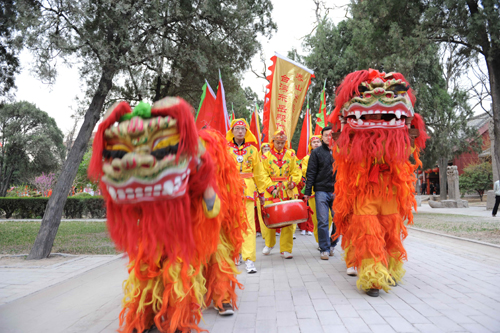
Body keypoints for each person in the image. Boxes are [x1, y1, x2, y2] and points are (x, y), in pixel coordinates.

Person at [329, 69, 428, 297]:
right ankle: (373, 277)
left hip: (390, 188)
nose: (379, 93)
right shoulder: (351, 136)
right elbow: (343, 149)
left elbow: (410, 149)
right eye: (365, 91)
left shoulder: (399, 134)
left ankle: (391, 270)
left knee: (391, 230)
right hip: (364, 189)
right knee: (368, 230)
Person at [226, 119, 272, 274]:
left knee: (249, 226)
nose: (240, 131)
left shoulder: (253, 150)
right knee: (232, 225)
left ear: (247, 132)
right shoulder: (225, 149)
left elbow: (259, 173)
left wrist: (262, 192)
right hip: (229, 192)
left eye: (242, 129)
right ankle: (234, 254)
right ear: (232, 130)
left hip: (248, 193)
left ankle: (249, 260)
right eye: (237, 128)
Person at [260, 130, 302, 259]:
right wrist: (271, 188)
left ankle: (286, 249)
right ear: (273, 142)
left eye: (282, 143)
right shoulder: (265, 156)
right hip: (271, 191)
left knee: (289, 220)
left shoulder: (291, 155)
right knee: (271, 218)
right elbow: (262, 174)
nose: (280, 145)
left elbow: (296, 171)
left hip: (287, 190)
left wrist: (293, 183)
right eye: (278, 142)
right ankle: (269, 243)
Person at [304, 127, 338, 260]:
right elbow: (310, 173)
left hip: (337, 191)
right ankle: (324, 248)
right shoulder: (316, 152)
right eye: (326, 136)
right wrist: (307, 192)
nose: (328, 138)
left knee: (339, 220)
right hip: (321, 191)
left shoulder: (341, 151)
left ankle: (333, 244)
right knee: (323, 221)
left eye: (331, 136)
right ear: (322, 137)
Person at [299, 135, 328, 238]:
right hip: (313, 189)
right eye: (314, 142)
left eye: (318, 141)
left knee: (329, 216)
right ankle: (320, 240)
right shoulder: (306, 158)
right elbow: (305, 172)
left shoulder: (328, 154)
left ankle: (325, 237)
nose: (316, 143)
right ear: (310, 145)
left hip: (326, 188)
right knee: (316, 217)